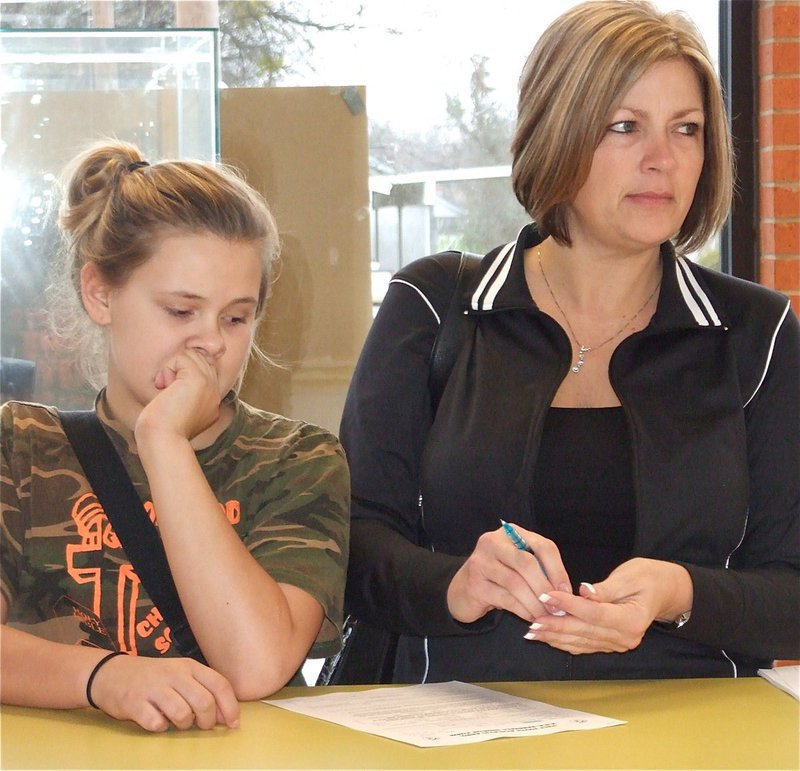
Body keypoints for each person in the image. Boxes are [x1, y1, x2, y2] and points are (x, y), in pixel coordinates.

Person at [341, 0, 800, 684]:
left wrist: (680, 593)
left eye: (687, 129)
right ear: (557, 130)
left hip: (692, 731)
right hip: (451, 723)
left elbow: (791, 592)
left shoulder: (758, 335)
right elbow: (349, 545)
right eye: (624, 127)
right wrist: (458, 584)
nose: (662, 160)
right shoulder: (433, 307)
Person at [0, 141, 350, 730]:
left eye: (236, 318)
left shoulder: (300, 460)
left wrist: (163, 439)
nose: (211, 342)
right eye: (181, 311)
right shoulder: (23, 447)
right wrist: (103, 677)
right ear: (100, 294)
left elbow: (256, 665)